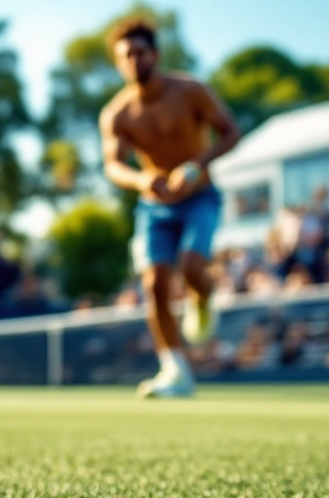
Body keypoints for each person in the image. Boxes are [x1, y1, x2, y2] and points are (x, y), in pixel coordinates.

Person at [99, 17, 240, 398]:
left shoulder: (191, 90)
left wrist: (198, 165)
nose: (133, 61)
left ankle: (204, 297)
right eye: (125, 56)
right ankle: (174, 370)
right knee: (154, 282)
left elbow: (230, 131)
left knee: (192, 266)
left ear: (155, 55)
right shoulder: (117, 114)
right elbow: (113, 165)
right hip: (154, 207)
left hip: (200, 197)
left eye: (139, 53)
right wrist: (141, 179)